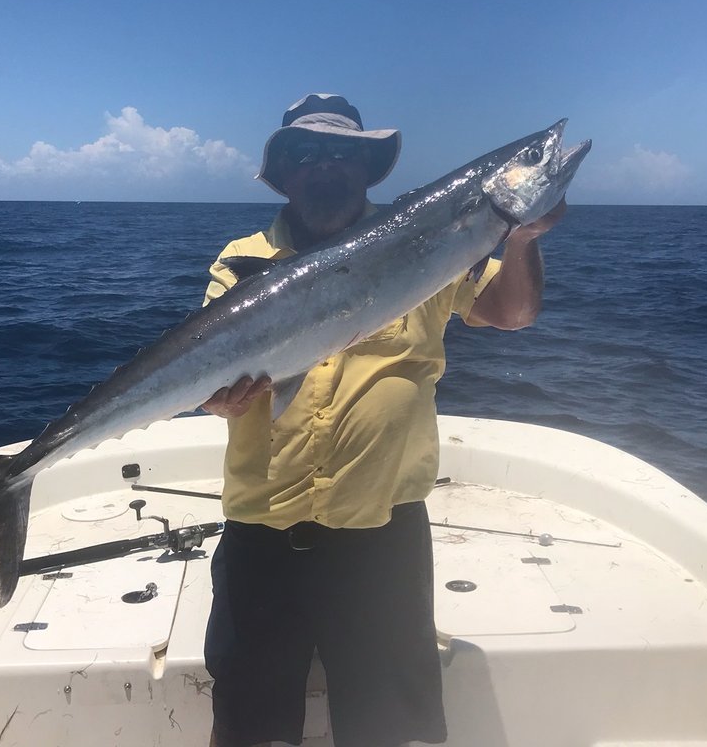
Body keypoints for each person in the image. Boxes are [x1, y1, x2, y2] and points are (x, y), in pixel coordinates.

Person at [200, 94, 566, 747]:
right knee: (249, 727)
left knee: (384, 728)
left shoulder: (433, 237)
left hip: (381, 532)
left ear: (367, 169)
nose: (325, 166)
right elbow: (206, 373)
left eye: (342, 153)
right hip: (261, 528)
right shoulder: (242, 254)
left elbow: (511, 314)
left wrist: (522, 241)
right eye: (306, 154)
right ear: (284, 171)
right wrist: (215, 397)